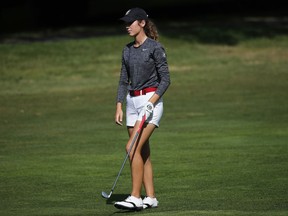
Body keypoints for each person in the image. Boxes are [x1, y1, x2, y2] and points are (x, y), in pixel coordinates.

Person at [113, 7, 171, 211]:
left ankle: (135, 197)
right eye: (126, 23)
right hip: (132, 103)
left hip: (150, 102)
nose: (127, 26)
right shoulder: (127, 50)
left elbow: (166, 79)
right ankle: (151, 197)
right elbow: (123, 80)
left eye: (131, 22)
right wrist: (119, 104)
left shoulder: (155, 48)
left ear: (142, 23)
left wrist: (152, 101)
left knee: (131, 147)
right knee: (142, 152)